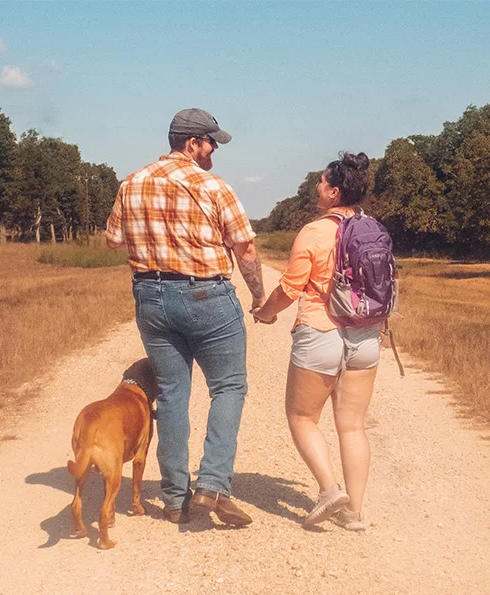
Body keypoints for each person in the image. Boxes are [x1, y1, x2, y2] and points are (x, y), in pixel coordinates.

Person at [105, 108, 265, 527]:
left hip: (150, 296)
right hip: (206, 293)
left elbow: (113, 241)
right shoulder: (213, 185)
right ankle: (212, 485)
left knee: (173, 394)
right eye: (211, 142)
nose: (214, 150)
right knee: (228, 386)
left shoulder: (132, 182)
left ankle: (176, 499)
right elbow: (245, 249)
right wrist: (259, 296)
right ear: (192, 143)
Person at [253, 152, 379, 531]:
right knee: (353, 426)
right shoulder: (373, 228)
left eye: (322, 183)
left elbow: (291, 288)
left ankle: (329, 490)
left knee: (302, 416)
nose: (316, 187)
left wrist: (265, 312)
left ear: (333, 192)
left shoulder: (314, 231)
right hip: (366, 336)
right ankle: (354, 513)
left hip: (321, 333)